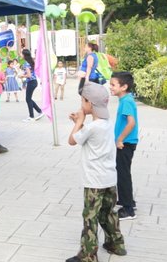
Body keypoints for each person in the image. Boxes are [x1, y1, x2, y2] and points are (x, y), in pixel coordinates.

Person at [66, 82, 126, 262]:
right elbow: (88, 137)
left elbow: (71, 140)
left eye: (82, 101)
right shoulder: (107, 124)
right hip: (109, 178)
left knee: (90, 217)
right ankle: (116, 244)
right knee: (108, 213)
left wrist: (78, 121)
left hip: (94, 182)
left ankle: (88, 255)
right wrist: (80, 123)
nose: (81, 105)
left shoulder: (92, 127)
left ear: (89, 103)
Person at [109, 72, 139, 221]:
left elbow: (131, 123)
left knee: (123, 174)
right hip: (126, 142)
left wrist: (120, 139)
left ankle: (128, 209)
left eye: (113, 85)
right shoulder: (125, 99)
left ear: (124, 86)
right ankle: (128, 200)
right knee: (123, 172)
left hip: (125, 143)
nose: (110, 87)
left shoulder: (126, 101)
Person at [19, 49, 44, 122]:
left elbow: (29, 75)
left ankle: (31, 116)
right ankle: (39, 111)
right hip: (33, 82)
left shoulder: (26, 63)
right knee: (29, 98)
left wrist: (22, 76)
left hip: (31, 82)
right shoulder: (30, 62)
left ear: (24, 55)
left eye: (21, 53)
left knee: (28, 99)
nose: (20, 55)